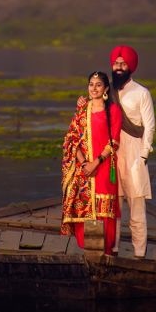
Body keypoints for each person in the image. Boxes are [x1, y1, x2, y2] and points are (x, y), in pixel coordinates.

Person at [61, 70, 123, 255]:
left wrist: (95, 163)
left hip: (104, 166)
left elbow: (114, 142)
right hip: (84, 167)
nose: (94, 88)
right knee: (86, 210)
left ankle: (107, 253)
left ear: (105, 88)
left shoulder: (112, 110)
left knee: (104, 210)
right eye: (91, 84)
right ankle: (91, 252)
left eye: (98, 85)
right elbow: (72, 140)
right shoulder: (82, 109)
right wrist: (83, 165)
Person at [110, 45, 155, 257]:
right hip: (112, 155)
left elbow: (150, 126)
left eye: (123, 63)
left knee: (136, 212)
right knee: (114, 210)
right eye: (116, 63)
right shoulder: (106, 91)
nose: (118, 67)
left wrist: (144, 155)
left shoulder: (142, 93)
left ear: (131, 66)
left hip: (135, 155)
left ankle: (139, 256)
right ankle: (114, 252)